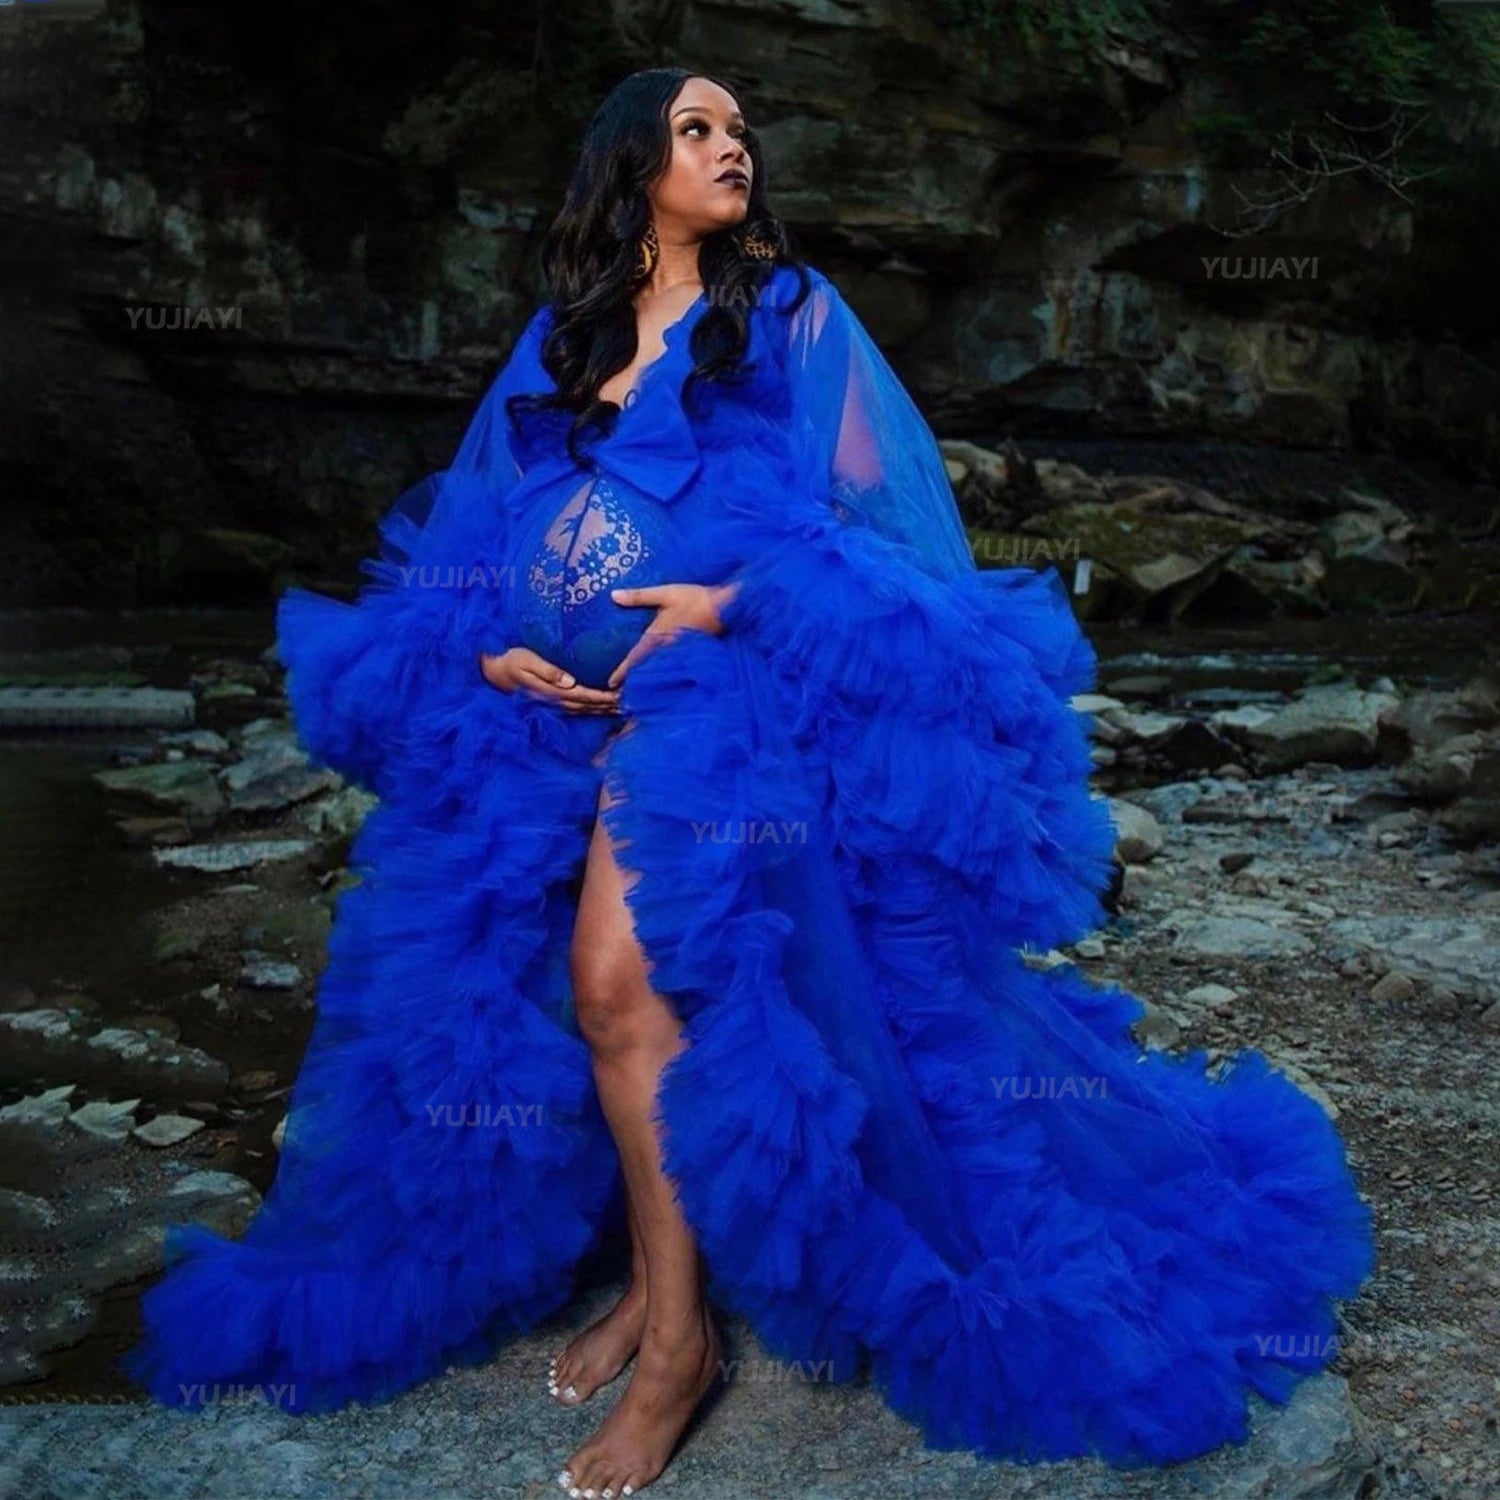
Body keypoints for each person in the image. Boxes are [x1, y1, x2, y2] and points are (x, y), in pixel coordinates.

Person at [124, 67, 1375, 1500]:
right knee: (542, 995)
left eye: (739, 133)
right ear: (629, 163)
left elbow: (887, 536)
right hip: (549, 718)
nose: (734, 149)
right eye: (698, 128)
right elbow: (476, 534)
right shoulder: (561, 335)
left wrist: (726, 604)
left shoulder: (792, 313)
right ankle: (656, 1281)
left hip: (721, 705)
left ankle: (679, 1344)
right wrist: (491, 650)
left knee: (615, 983)